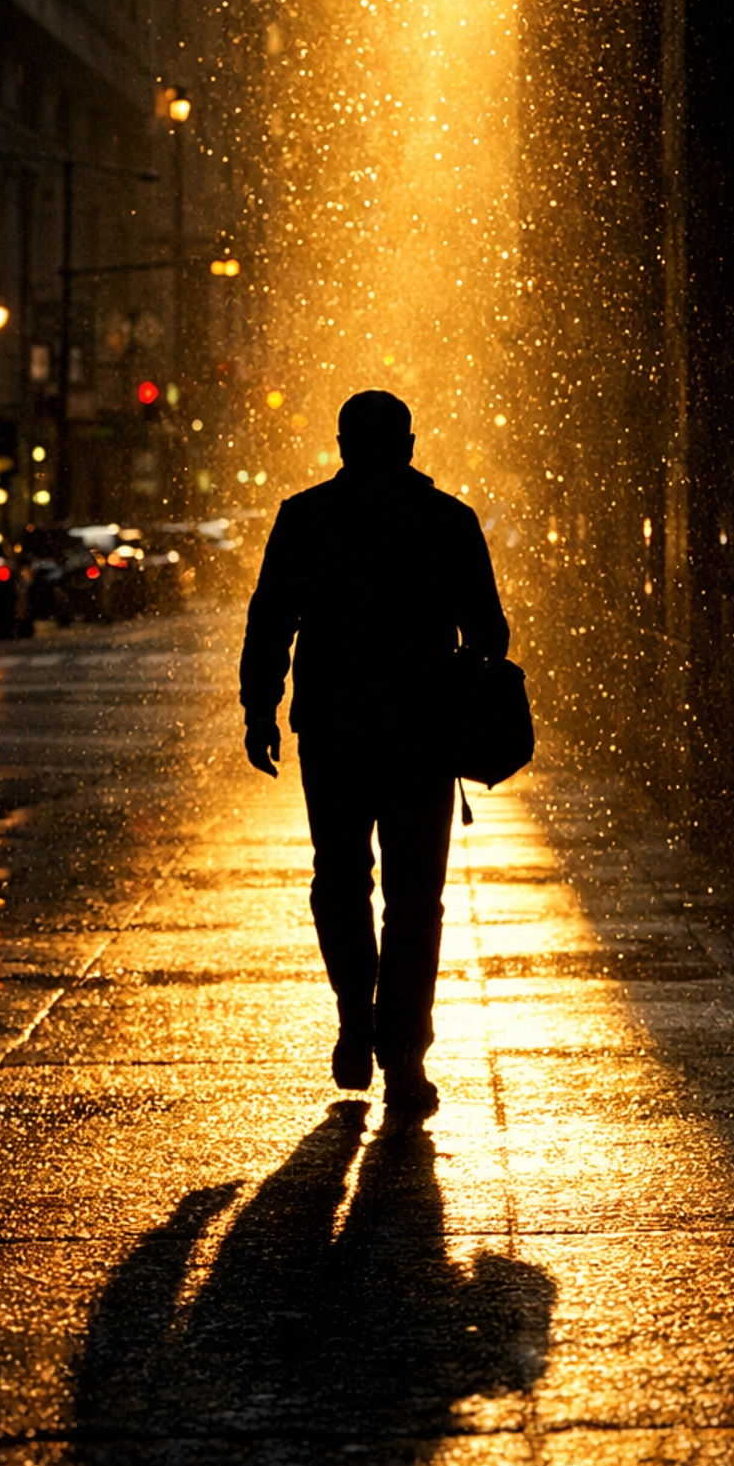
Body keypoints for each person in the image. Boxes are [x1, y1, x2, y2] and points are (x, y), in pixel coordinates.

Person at [239, 389, 509, 1117]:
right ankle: (403, 1055)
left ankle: (355, 1014)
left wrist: (260, 708)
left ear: (341, 444)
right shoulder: (446, 521)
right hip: (421, 731)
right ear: (411, 446)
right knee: (416, 899)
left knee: (340, 878)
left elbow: (271, 619)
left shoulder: (306, 518)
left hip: (332, 728)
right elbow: (490, 633)